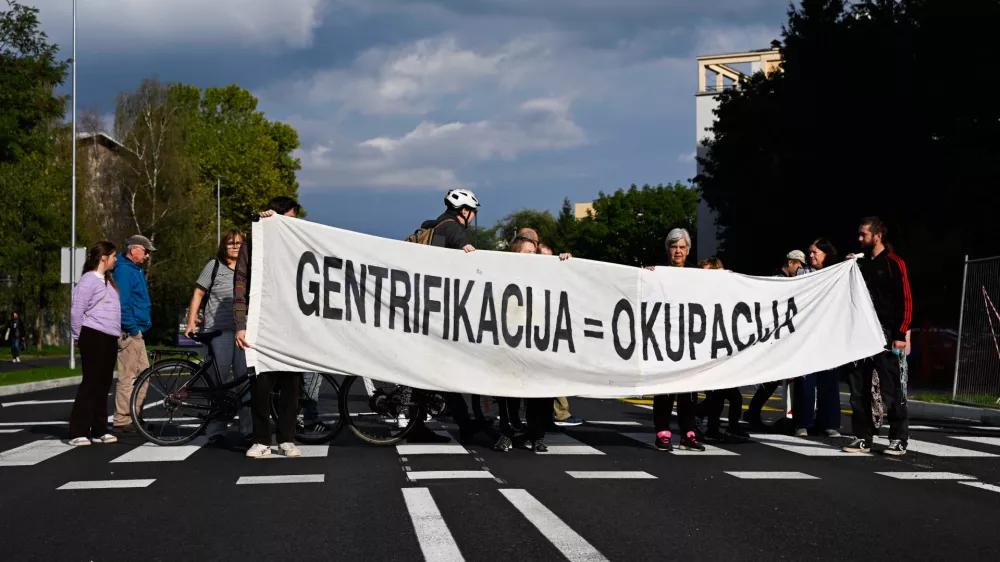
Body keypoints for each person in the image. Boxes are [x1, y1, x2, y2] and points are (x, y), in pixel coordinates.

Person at [402, 189, 485, 445]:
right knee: (445, 372)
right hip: (439, 313)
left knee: (428, 372)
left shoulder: (433, 226)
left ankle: (417, 425)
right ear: (464, 211)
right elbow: (467, 258)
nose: (474, 217)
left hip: (421, 307)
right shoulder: (454, 229)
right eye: (473, 212)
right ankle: (465, 426)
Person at [235, 196, 304, 458]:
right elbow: (240, 285)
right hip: (260, 323)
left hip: (290, 324)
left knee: (290, 386)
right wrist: (240, 325)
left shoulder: (297, 242)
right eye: (290, 218)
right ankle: (261, 440)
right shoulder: (254, 242)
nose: (294, 223)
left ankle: (287, 439)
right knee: (260, 385)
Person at [843, 217, 912, 455]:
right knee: (858, 389)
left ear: (878, 236)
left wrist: (900, 333)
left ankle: (898, 438)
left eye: (864, 234)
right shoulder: (859, 264)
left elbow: (906, 300)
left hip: (886, 333)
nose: (859, 238)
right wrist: (847, 267)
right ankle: (863, 437)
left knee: (891, 388)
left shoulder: (894, 263)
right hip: (860, 333)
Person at [185, 229, 251, 442]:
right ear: (224, 245)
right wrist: (191, 321)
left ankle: (248, 429)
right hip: (217, 331)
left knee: (245, 382)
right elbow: (198, 293)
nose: (235, 247)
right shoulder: (213, 266)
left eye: (239, 243)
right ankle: (215, 430)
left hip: (244, 332)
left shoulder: (249, 269)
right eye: (231, 243)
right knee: (217, 381)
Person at [645, 228, 705, 452]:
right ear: (667, 250)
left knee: (689, 390)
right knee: (665, 388)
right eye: (673, 246)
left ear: (688, 250)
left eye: (681, 247)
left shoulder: (697, 274)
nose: (678, 251)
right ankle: (662, 432)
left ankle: (688, 433)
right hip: (663, 339)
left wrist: (725, 278)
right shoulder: (656, 272)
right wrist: (646, 276)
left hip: (690, 340)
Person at [743, 249, 809, 429]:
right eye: (799, 266)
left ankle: (753, 411)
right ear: (790, 263)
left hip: (780, 335)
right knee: (771, 378)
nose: (800, 270)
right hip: (773, 335)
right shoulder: (778, 280)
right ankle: (752, 412)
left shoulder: (784, 280)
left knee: (773, 379)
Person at [67, 242, 122, 446]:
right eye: (113, 256)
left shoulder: (108, 280)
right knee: (91, 383)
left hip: (109, 336)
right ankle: (78, 431)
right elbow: (76, 311)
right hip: (93, 334)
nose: (115, 259)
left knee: (104, 384)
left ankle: (99, 430)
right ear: (103, 258)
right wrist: (78, 337)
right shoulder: (88, 280)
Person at [792, 239, 843, 437]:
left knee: (829, 381)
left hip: (829, 334)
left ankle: (829, 423)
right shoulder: (802, 273)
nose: (811, 256)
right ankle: (803, 422)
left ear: (826, 254)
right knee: (805, 381)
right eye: (810, 252)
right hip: (806, 334)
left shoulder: (837, 271)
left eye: (815, 252)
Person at [696, 257, 749, 441]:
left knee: (724, 396)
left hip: (722, 350)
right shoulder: (700, 294)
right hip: (708, 351)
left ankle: (715, 425)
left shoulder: (723, 293)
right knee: (723, 395)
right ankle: (714, 423)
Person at [112, 234, 155, 433]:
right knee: (128, 376)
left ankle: (134, 417)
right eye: (146, 251)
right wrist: (133, 328)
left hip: (136, 331)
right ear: (134, 249)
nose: (147, 256)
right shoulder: (124, 271)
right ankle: (122, 420)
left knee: (144, 375)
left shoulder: (133, 269)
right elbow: (122, 304)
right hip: (130, 332)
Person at [538, 243, 585, 428]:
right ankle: (557, 413)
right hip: (538, 332)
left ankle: (555, 414)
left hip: (551, 333)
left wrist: (568, 263)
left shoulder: (553, 276)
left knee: (553, 372)